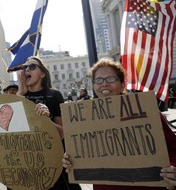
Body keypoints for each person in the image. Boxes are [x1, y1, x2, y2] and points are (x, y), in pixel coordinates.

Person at [62, 57, 176, 190]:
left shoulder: (146, 111)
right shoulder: (84, 120)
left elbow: (173, 149)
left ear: (122, 84)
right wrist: (71, 160)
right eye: (98, 80)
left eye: (111, 79)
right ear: (93, 86)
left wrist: (173, 168)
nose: (104, 84)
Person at [17, 56, 81, 190]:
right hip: (30, 163)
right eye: (24, 67)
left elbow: (64, 134)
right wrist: (20, 93)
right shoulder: (20, 97)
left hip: (53, 163)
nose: (27, 69)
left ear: (43, 74)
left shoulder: (54, 95)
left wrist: (46, 120)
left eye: (32, 66)